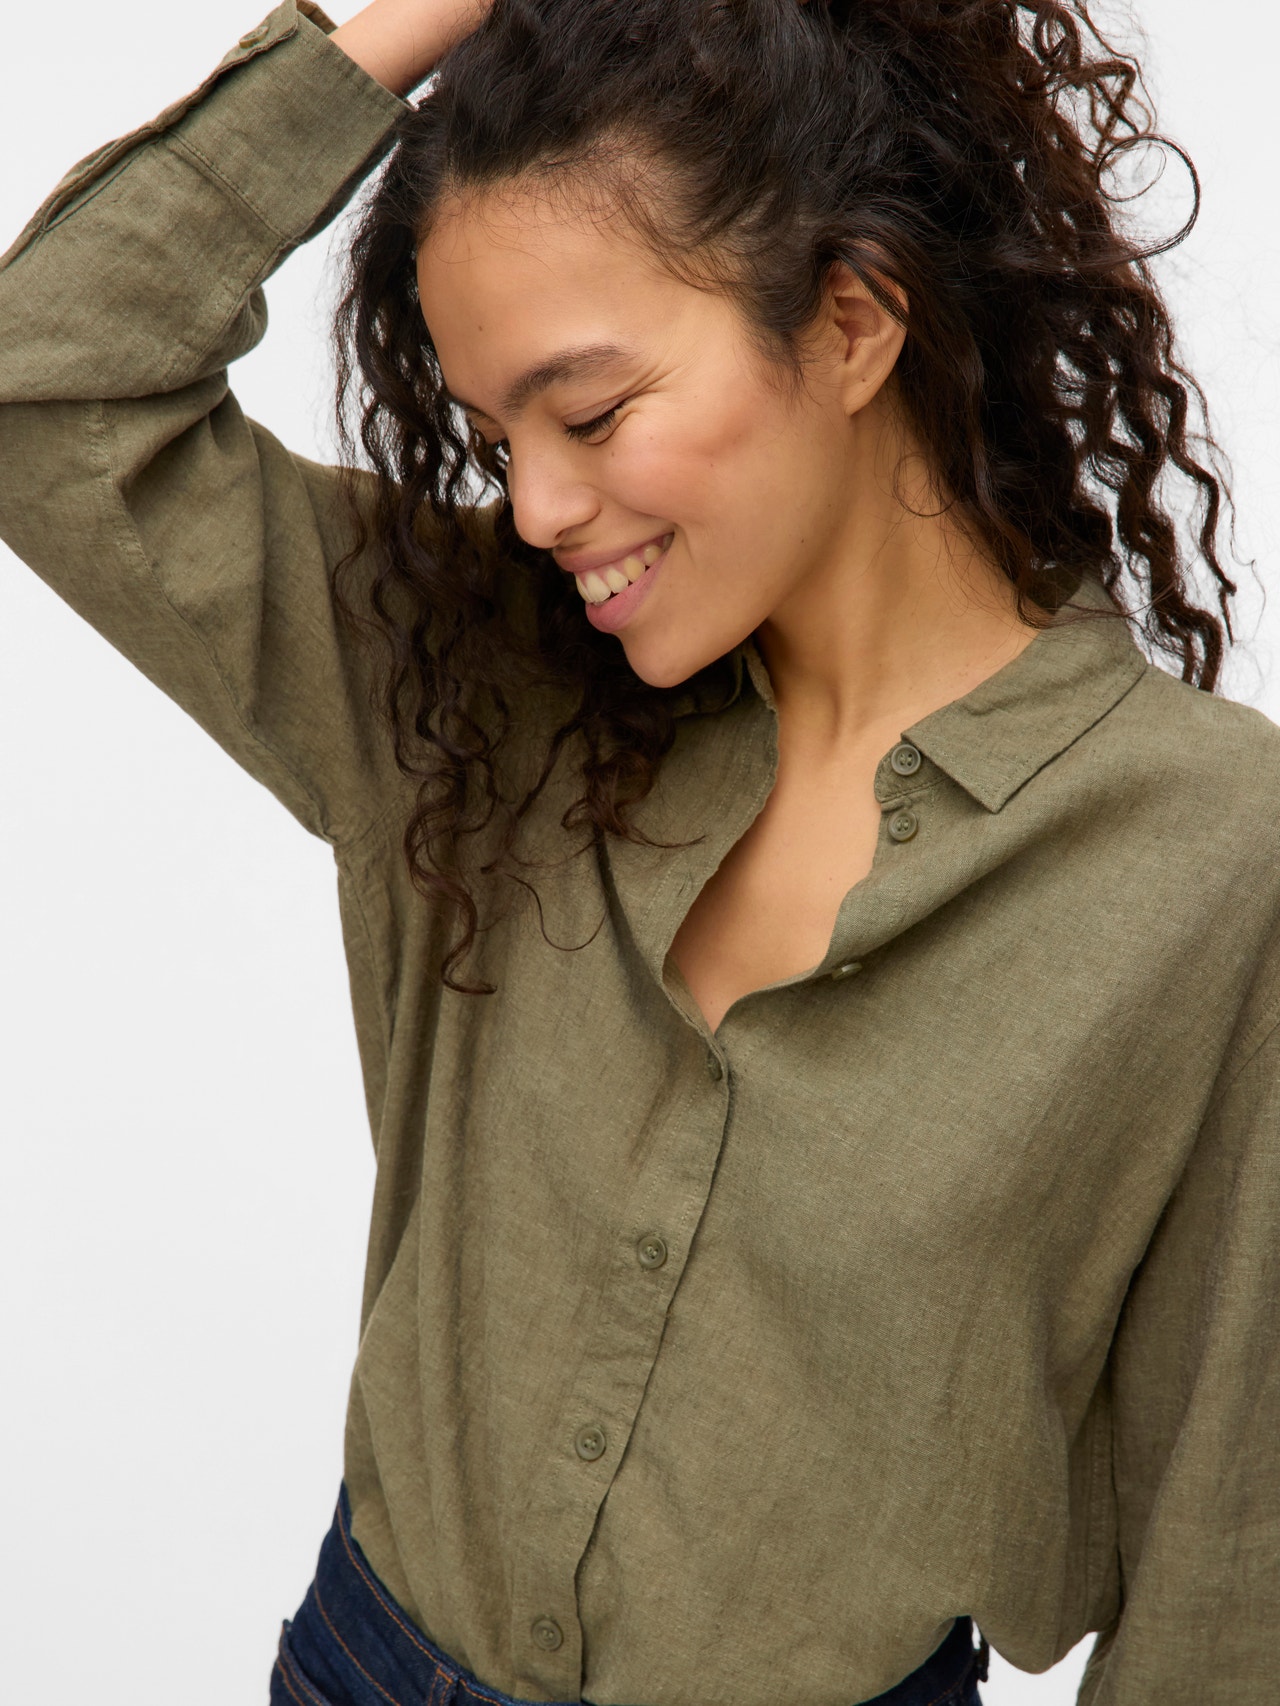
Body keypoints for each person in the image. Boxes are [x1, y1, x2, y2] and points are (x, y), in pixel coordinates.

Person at [1, 0, 1277, 1701]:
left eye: (591, 416)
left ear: (851, 323)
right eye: (498, 439)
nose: (534, 507)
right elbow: (50, 377)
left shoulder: (1209, 855)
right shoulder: (477, 680)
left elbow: (1226, 1560)